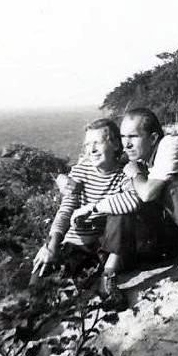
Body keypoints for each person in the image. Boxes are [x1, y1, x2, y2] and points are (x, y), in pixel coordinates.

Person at [31, 118, 141, 307]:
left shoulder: (124, 173)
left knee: (122, 213)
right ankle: (33, 310)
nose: (92, 150)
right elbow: (65, 210)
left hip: (108, 250)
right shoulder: (80, 172)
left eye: (97, 143)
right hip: (77, 246)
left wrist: (92, 208)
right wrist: (52, 246)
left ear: (116, 144)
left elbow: (133, 201)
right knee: (41, 271)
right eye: (88, 145)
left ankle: (107, 279)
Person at [115, 107, 178, 281]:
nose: (126, 144)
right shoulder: (144, 153)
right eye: (123, 137)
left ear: (153, 138)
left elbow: (147, 194)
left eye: (133, 137)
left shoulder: (171, 145)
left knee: (172, 187)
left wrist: (135, 173)